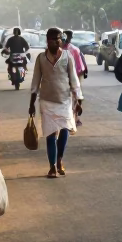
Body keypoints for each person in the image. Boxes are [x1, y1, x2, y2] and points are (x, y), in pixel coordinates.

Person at [29, 27, 82, 179]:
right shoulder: (41, 58)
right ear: (47, 41)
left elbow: (74, 79)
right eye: (52, 39)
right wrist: (32, 103)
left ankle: (59, 160)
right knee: (51, 135)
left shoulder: (67, 56)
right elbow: (35, 82)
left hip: (64, 100)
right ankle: (52, 166)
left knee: (65, 130)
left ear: (61, 40)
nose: (55, 42)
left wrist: (78, 100)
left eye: (58, 39)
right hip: (46, 101)